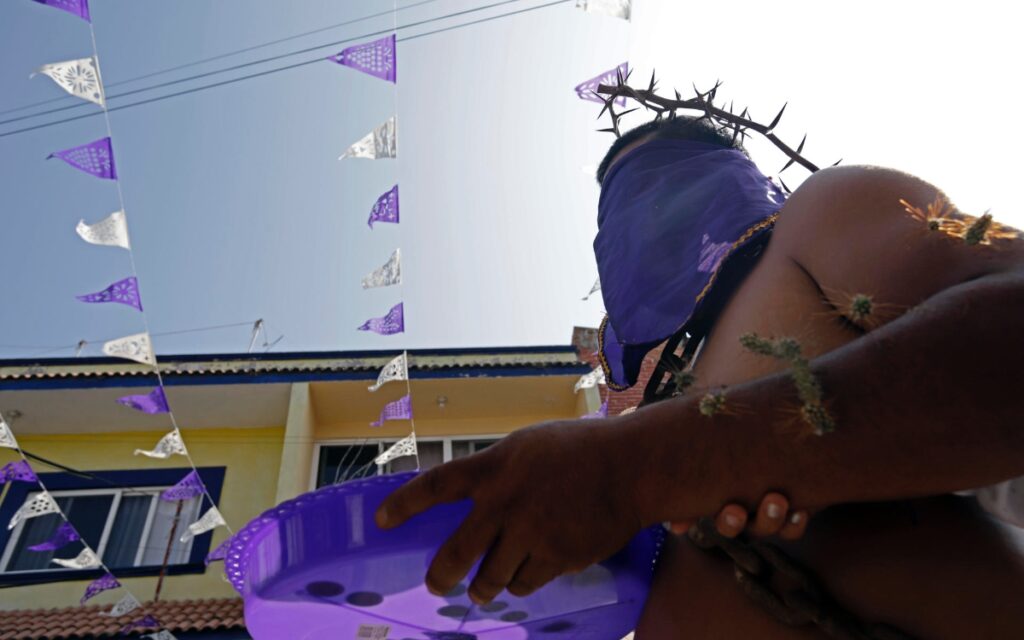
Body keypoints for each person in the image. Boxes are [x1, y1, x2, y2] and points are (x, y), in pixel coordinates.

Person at [377, 115, 1024, 637]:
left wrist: (637, 470)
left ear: (737, 180)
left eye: (668, 171)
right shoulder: (629, 416)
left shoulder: (821, 219)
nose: (645, 211)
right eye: (617, 205)